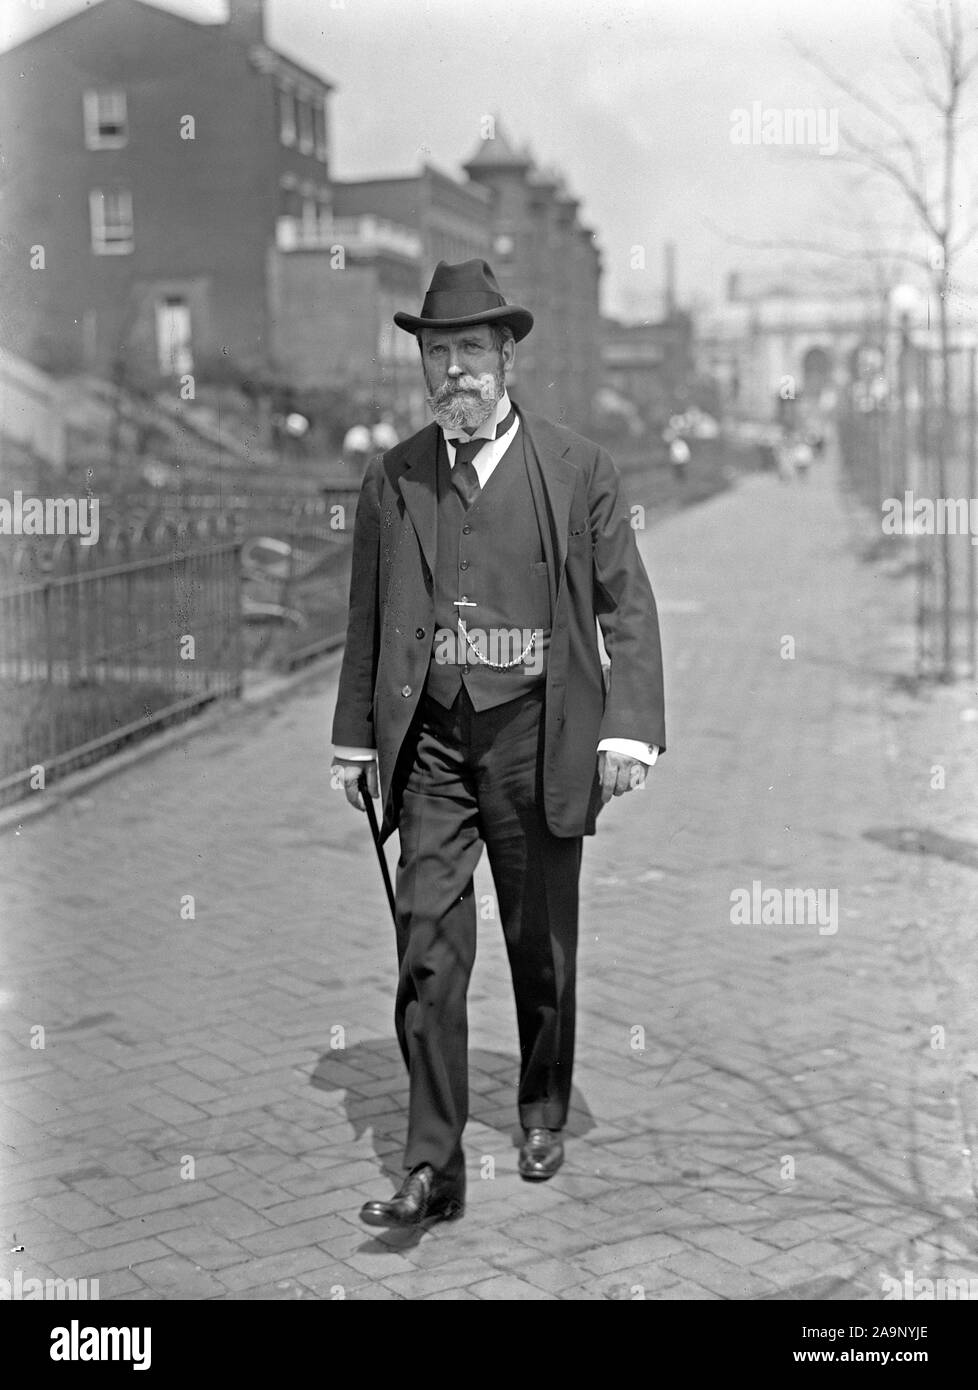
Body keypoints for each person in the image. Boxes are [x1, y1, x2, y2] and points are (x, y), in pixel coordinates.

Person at [331, 259, 666, 1228]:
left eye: (470, 352)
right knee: (426, 945)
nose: (454, 374)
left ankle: (541, 1107)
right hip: (432, 744)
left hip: (537, 733)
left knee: (539, 945)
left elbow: (626, 607)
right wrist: (356, 741)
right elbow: (369, 620)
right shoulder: (393, 478)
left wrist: (630, 729)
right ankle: (432, 1167)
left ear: (506, 356)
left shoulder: (578, 470)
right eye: (438, 355)